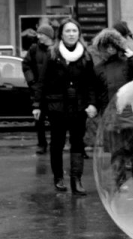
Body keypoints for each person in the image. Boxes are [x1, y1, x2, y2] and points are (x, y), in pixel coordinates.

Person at [32, 18, 98, 195]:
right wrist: (37, 104)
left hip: (79, 106)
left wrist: (92, 103)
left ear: (79, 34)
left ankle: (76, 179)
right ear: (61, 34)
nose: (71, 34)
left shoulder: (86, 55)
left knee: (77, 143)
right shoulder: (52, 54)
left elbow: (91, 83)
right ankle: (58, 177)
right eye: (67, 31)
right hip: (57, 106)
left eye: (74, 31)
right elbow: (42, 81)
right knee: (57, 143)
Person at [92, 28, 133, 191]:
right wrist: (94, 106)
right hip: (111, 115)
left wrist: (131, 56)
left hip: (131, 112)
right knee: (117, 150)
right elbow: (96, 91)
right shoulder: (99, 68)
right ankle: (120, 180)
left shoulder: (128, 62)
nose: (109, 49)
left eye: (112, 45)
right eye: (106, 46)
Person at [22, 24, 55, 155]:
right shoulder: (34, 49)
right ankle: (42, 144)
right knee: (39, 120)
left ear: (48, 35)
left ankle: (55, 143)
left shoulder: (56, 49)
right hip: (38, 90)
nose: (38, 36)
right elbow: (26, 65)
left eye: (41, 34)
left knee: (55, 119)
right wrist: (32, 82)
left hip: (53, 91)